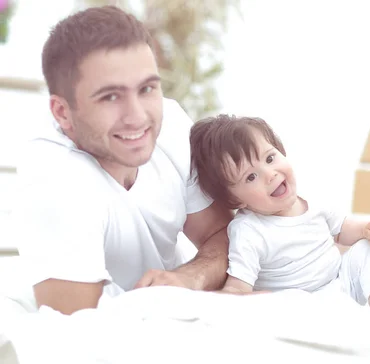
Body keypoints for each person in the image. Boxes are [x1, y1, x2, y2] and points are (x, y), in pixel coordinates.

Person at [10, 6, 232, 315]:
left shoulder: (171, 125)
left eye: (147, 88)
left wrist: (188, 277)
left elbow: (226, 235)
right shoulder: (54, 179)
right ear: (63, 112)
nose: (138, 117)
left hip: (176, 310)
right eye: (110, 97)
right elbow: (75, 333)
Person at [189, 115, 370, 307]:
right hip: (305, 303)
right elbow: (238, 286)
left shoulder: (311, 200)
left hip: (342, 281)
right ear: (235, 199)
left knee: (369, 248)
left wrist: (367, 228)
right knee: (284, 300)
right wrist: (237, 297)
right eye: (251, 177)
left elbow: (342, 229)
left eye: (270, 158)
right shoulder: (248, 230)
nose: (270, 174)